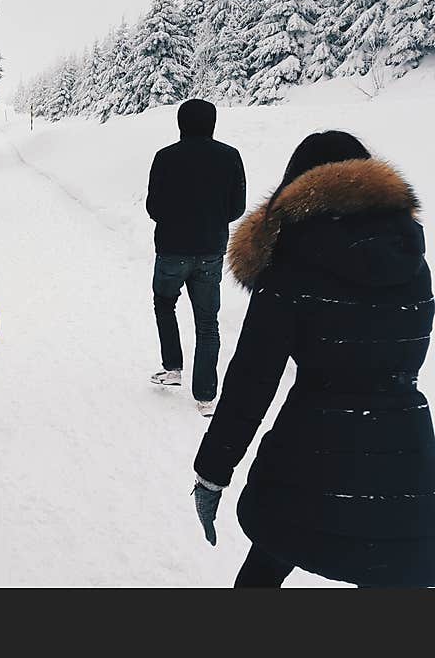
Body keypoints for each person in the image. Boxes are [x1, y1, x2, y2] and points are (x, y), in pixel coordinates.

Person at [192, 131, 435, 588]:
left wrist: (212, 473)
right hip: (403, 451)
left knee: (267, 565)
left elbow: (251, 382)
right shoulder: (412, 262)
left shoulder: (291, 267)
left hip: (310, 447)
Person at [146, 99, 246, 415]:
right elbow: (237, 208)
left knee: (164, 304)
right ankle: (205, 397)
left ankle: (173, 368)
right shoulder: (230, 157)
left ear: (180, 123)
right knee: (207, 322)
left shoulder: (165, 157)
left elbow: (154, 207)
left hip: (171, 250)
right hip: (210, 251)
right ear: (212, 123)